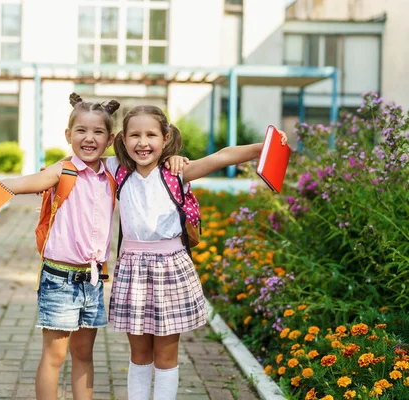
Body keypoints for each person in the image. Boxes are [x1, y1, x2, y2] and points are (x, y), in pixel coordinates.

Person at [0, 93, 186, 400]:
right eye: (81, 131)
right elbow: (17, 185)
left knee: (84, 355)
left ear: (111, 139)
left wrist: (175, 158)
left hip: (94, 280)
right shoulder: (62, 171)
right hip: (59, 279)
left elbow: (149, 158)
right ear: (68, 134)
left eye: (98, 132)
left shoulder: (112, 171)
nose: (89, 138)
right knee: (55, 356)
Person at [104, 105, 287, 400]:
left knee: (165, 353)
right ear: (123, 140)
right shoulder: (117, 170)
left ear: (165, 138)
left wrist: (262, 147)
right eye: (134, 135)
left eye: (151, 134)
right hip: (133, 271)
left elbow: (222, 156)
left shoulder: (178, 172)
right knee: (139, 354)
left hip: (170, 270)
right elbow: (79, 159)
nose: (143, 142)